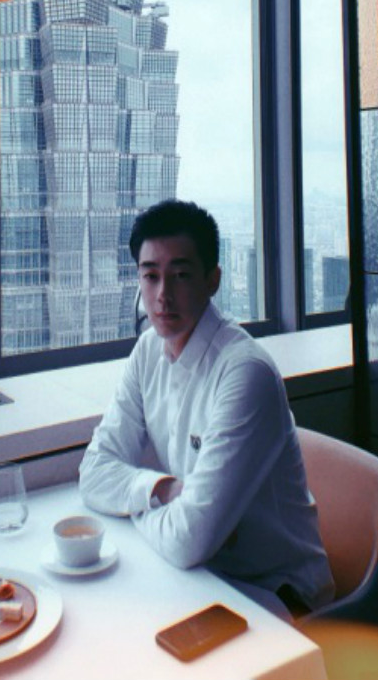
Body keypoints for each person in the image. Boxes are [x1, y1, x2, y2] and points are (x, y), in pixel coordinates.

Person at [79, 199, 335, 615]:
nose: (163, 296)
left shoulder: (245, 373)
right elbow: (92, 472)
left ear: (213, 280)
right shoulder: (148, 351)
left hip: (276, 593)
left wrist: (136, 506)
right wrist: (163, 491)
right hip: (202, 576)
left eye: (180, 275)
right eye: (150, 276)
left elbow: (187, 541)